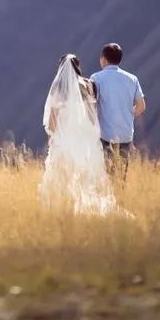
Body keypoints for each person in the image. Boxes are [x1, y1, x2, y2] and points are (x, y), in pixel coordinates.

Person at [39, 53, 116, 214]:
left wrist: (55, 135)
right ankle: (82, 209)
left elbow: (52, 122)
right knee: (82, 178)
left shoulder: (58, 89)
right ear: (78, 67)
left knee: (61, 179)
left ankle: (61, 210)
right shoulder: (87, 85)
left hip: (63, 142)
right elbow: (92, 117)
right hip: (82, 140)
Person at [90, 43, 146, 181]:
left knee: (105, 179)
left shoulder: (96, 78)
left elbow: (91, 105)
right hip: (125, 135)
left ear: (103, 59)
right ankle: (120, 200)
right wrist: (128, 114)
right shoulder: (132, 79)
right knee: (120, 177)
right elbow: (141, 106)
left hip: (105, 136)